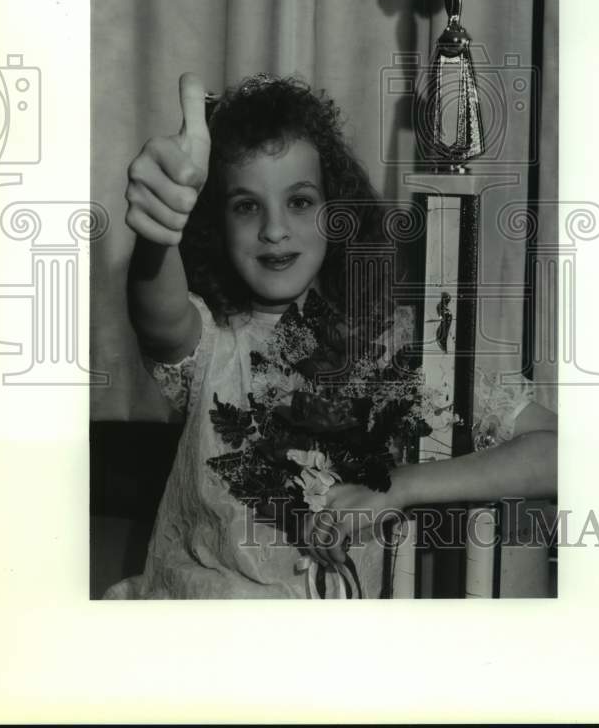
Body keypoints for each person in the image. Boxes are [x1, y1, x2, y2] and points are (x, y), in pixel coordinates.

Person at [103, 72, 557, 599]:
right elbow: (158, 312)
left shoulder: (398, 356)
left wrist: (400, 488)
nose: (274, 229)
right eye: (247, 206)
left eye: (298, 201)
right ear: (216, 226)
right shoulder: (210, 343)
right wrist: (160, 236)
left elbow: (561, 452)